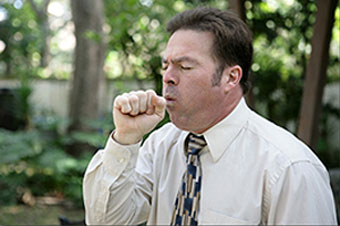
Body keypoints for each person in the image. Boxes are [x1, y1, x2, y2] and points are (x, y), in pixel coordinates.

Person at [83, 7, 337, 225]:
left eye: (184, 66)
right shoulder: (160, 145)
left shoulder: (290, 169)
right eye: (166, 65)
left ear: (231, 77)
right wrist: (125, 138)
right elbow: (106, 220)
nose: (168, 77)